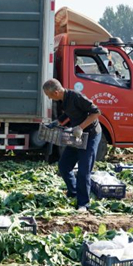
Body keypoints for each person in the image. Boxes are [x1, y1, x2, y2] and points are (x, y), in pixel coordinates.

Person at [42, 79, 102, 212]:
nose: (48, 97)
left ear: (56, 92)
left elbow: (96, 112)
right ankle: (74, 192)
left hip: (90, 135)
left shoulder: (76, 96)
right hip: (76, 136)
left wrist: (80, 127)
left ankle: (83, 204)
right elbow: (68, 114)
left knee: (83, 170)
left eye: (49, 95)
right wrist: (56, 122)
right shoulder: (64, 100)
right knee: (64, 165)